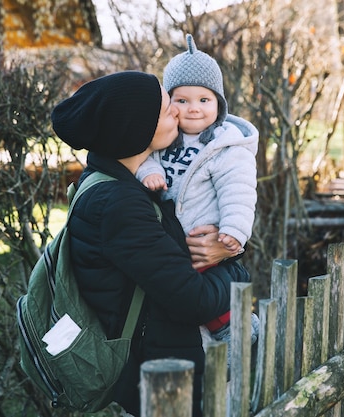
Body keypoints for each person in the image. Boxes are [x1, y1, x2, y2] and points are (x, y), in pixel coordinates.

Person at [50, 71, 249, 417]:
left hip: (165, 361)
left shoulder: (129, 183)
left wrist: (225, 245)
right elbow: (194, 300)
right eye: (164, 107)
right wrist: (238, 270)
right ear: (135, 129)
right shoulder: (119, 205)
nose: (176, 109)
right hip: (161, 382)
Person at [136, 34, 259, 359]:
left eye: (204, 100)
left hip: (203, 234)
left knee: (204, 289)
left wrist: (234, 230)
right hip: (168, 241)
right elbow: (141, 156)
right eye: (182, 100)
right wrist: (146, 171)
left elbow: (239, 190)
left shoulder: (224, 146)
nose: (193, 109)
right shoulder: (162, 137)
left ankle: (237, 327)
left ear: (219, 104)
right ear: (168, 103)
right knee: (182, 292)